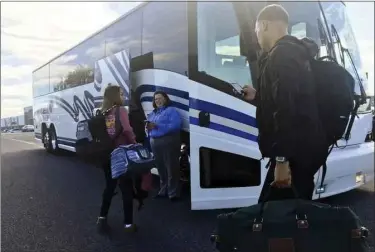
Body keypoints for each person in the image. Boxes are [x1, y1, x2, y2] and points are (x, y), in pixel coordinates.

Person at [242, 4, 329, 202]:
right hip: (301, 149)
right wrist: (257, 96)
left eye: (256, 30)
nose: (256, 36)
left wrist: (282, 160)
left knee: (274, 214)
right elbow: (287, 97)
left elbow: (286, 109)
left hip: (294, 153)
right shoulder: (294, 53)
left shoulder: (281, 55)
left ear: (263, 25)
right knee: (291, 213)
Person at [96, 84, 138, 233]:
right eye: (121, 93)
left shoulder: (101, 112)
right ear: (115, 96)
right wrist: (134, 143)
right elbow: (127, 129)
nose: (123, 96)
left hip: (106, 153)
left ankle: (102, 218)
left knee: (109, 187)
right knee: (126, 188)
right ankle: (128, 224)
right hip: (121, 153)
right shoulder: (120, 110)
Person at [146, 91, 182, 201]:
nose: (158, 101)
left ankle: (173, 193)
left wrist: (157, 126)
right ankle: (163, 190)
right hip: (155, 142)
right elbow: (148, 126)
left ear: (165, 99)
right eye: (156, 99)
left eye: (160, 98)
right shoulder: (153, 113)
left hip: (168, 141)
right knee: (160, 168)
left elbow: (175, 126)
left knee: (171, 167)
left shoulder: (171, 111)